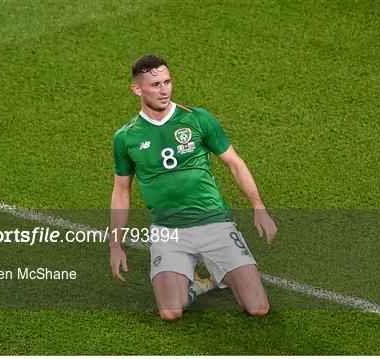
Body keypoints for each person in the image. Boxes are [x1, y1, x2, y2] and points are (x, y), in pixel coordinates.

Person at [109, 54, 277, 321]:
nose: (164, 90)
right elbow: (121, 192)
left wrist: (259, 207)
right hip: (168, 230)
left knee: (258, 307)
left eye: (167, 82)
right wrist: (115, 244)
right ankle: (195, 286)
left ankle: (218, 270)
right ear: (137, 89)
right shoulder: (126, 137)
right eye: (155, 85)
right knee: (170, 312)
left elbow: (234, 163)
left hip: (214, 223)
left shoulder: (198, 119)